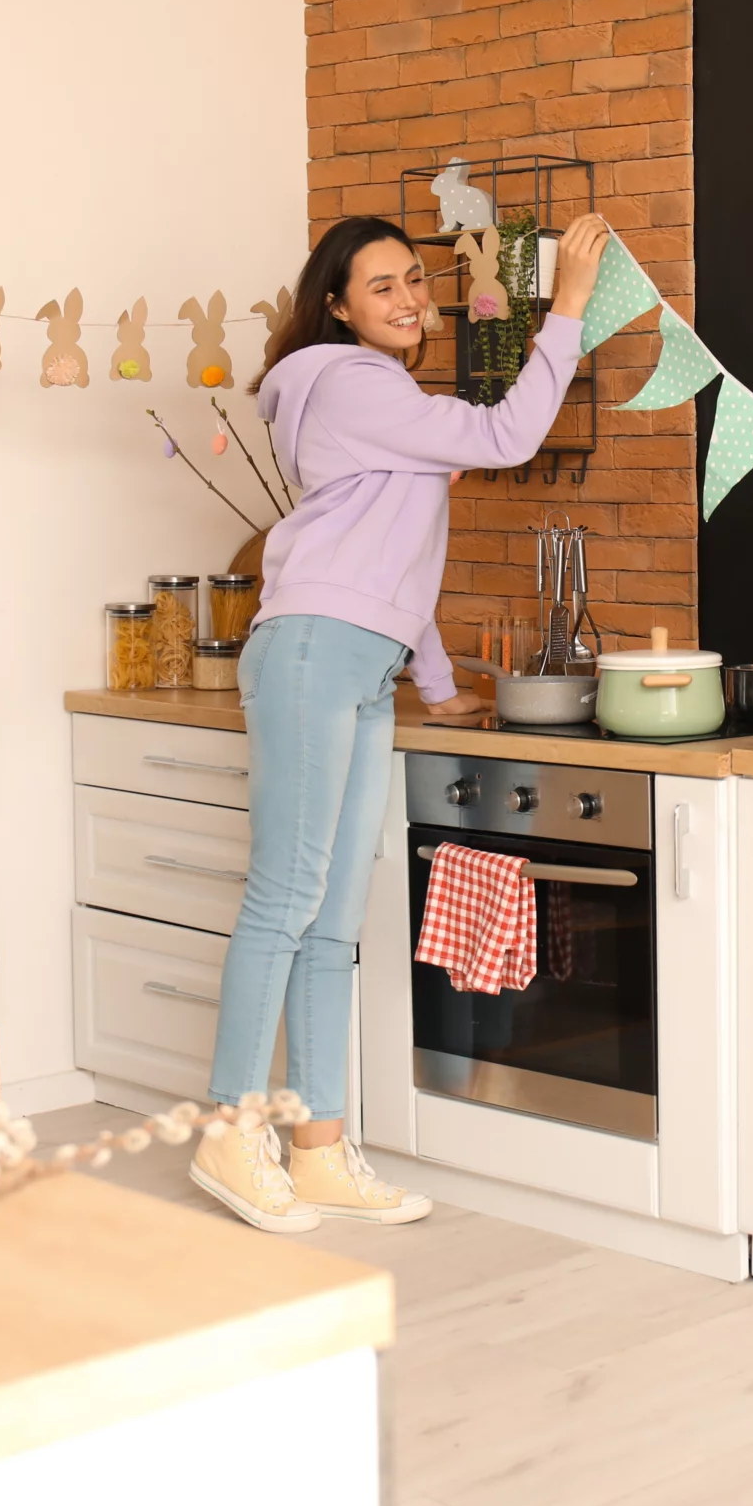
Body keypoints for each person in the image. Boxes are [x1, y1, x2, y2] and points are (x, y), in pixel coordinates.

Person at [192, 210, 611, 1233]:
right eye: (383, 286)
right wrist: (564, 309)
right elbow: (509, 434)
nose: (411, 300)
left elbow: (393, 559)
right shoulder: (350, 381)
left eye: (414, 284)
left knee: (334, 924)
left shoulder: (373, 403)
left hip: (355, 662)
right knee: (286, 899)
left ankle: (319, 1147)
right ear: (335, 307)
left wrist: (430, 684)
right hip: (311, 655)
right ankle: (226, 1131)